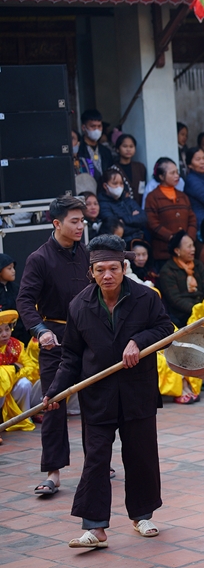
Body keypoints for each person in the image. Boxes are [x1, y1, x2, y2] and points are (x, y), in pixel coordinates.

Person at [42, 234, 173, 548]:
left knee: (140, 455)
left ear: (124, 267)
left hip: (137, 391)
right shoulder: (79, 305)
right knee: (96, 459)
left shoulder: (146, 298)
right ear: (91, 271)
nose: (107, 275)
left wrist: (139, 342)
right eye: (100, 270)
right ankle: (95, 527)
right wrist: (56, 391)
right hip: (97, 394)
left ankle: (142, 516)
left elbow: (166, 330)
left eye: (113, 268)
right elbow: (71, 354)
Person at [17, 196, 91, 496]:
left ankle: (97, 461)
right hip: (55, 339)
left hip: (88, 338)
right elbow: (24, 300)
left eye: (82, 221)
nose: (80, 226)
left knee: (95, 403)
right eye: (74, 221)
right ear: (56, 223)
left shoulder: (87, 253)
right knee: (53, 403)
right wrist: (40, 330)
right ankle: (53, 472)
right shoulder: (40, 258)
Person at [145, 157, 197, 263]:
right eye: (172, 173)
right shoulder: (152, 197)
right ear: (161, 176)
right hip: (164, 252)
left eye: (177, 172)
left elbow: (192, 219)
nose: (177, 176)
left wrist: (188, 238)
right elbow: (152, 224)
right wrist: (173, 238)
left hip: (186, 252)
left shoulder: (182, 196)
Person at [157, 231, 204, 327]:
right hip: (182, 314)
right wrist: (197, 309)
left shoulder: (198, 265)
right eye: (189, 247)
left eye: (193, 246)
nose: (193, 249)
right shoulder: (168, 270)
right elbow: (175, 300)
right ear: (177, 251)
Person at [0, 310, 37, 438]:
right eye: (0, 331)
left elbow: (30, 367)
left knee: (25, 383)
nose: (4, 334)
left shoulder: (16, 345)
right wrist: (12, 369)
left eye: (7, 329)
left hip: (12, 388)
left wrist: (11, 376)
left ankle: (25, 415)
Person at [96, 167, 146, 243]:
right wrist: (133, 220)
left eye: (121, 183)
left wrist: (123, 219)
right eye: (115, 183)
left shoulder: (127, 199)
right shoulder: (103, 204)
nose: (119, 187)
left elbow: (143, 218)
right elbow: (114, 229)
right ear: (105, 186)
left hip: (139, 240)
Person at [78, 109, 114, 182]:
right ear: (83, 127)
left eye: (99, 126)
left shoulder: (106, 151)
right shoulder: (79, 149)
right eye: (93, 126)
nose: (96, 129)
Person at [114, 134, 147, 204]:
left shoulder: (140, 167)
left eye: (131, 146)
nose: (128, 149)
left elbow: (142, 187)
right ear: (117, 149)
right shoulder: (113, 169)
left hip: (140, 206)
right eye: (125, 146)